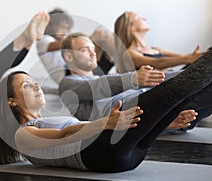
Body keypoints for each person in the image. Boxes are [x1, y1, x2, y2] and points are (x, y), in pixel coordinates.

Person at [0, 48, 212, 172]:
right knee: (174, 90)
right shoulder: (22, 134)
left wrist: (166, 122)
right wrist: (105, 123)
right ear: (12, 101)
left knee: (179, 100)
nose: (36, 86)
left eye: (34, 81)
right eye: (26, 86)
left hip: (125, 155)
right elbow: (64, 135)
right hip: (99, 155)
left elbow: (78, 129)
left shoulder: (44, 121)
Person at [59, 32, 209, 131]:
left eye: (93, 49)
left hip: (162, 112)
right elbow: (97, 87)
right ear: (69, 57)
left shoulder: (107, 78)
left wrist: (165, 124)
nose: (93, 54)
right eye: (85, 50)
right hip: (151, 108)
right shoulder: (68, 85)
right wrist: (133, 79)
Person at [37, 8, 114, 83]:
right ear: (51, 26)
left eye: (68, 28)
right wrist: (91, 38)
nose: (65, 31)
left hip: (80, 70)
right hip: (68, 75)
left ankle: (119, 59)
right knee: (97, 40)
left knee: (104, 41)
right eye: (63, 27)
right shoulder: (44, 40)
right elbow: (66, 44)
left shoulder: (64, 38)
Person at [113, 11, 206, 72]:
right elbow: (157, 63)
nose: (144, 18)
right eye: (138, 17)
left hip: (173, 79)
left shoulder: (156, 49)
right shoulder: (129, 53)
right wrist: (189, 58)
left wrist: (195, 57)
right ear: (130, 28)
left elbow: (183, 57)